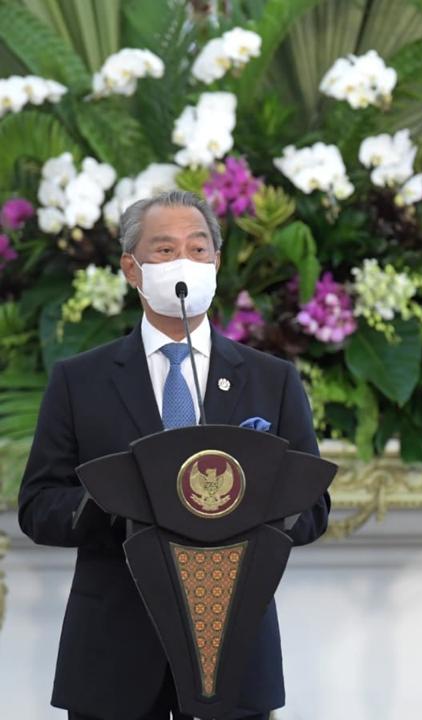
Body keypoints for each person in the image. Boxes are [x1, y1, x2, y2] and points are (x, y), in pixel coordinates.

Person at [18, 190, 331, 720]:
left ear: (216, 262)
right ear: (131, 269)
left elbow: (314, 507)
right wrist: (109, 507)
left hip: (233, 651)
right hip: (112, 656)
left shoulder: (270, 380)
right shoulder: (80, 381)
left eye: (198, 248)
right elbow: (38, 504)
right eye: (164, 251)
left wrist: (254, 509)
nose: (184, 261)